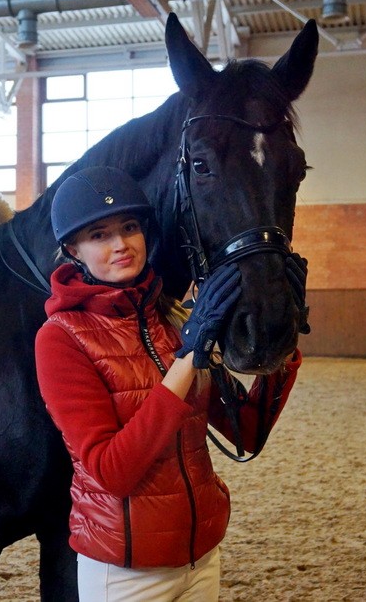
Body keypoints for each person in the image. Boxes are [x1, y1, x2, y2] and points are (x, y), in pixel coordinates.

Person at [34, 165, 303, 601]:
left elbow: (245, 432)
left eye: (129, 227)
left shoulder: (173, 320)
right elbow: (112, 471)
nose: (121, 244)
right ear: (73, 249)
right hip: (125, 570)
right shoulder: (60, 339)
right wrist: (188, 358)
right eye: (99, 235)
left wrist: (284, 341)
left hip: (200, 555)